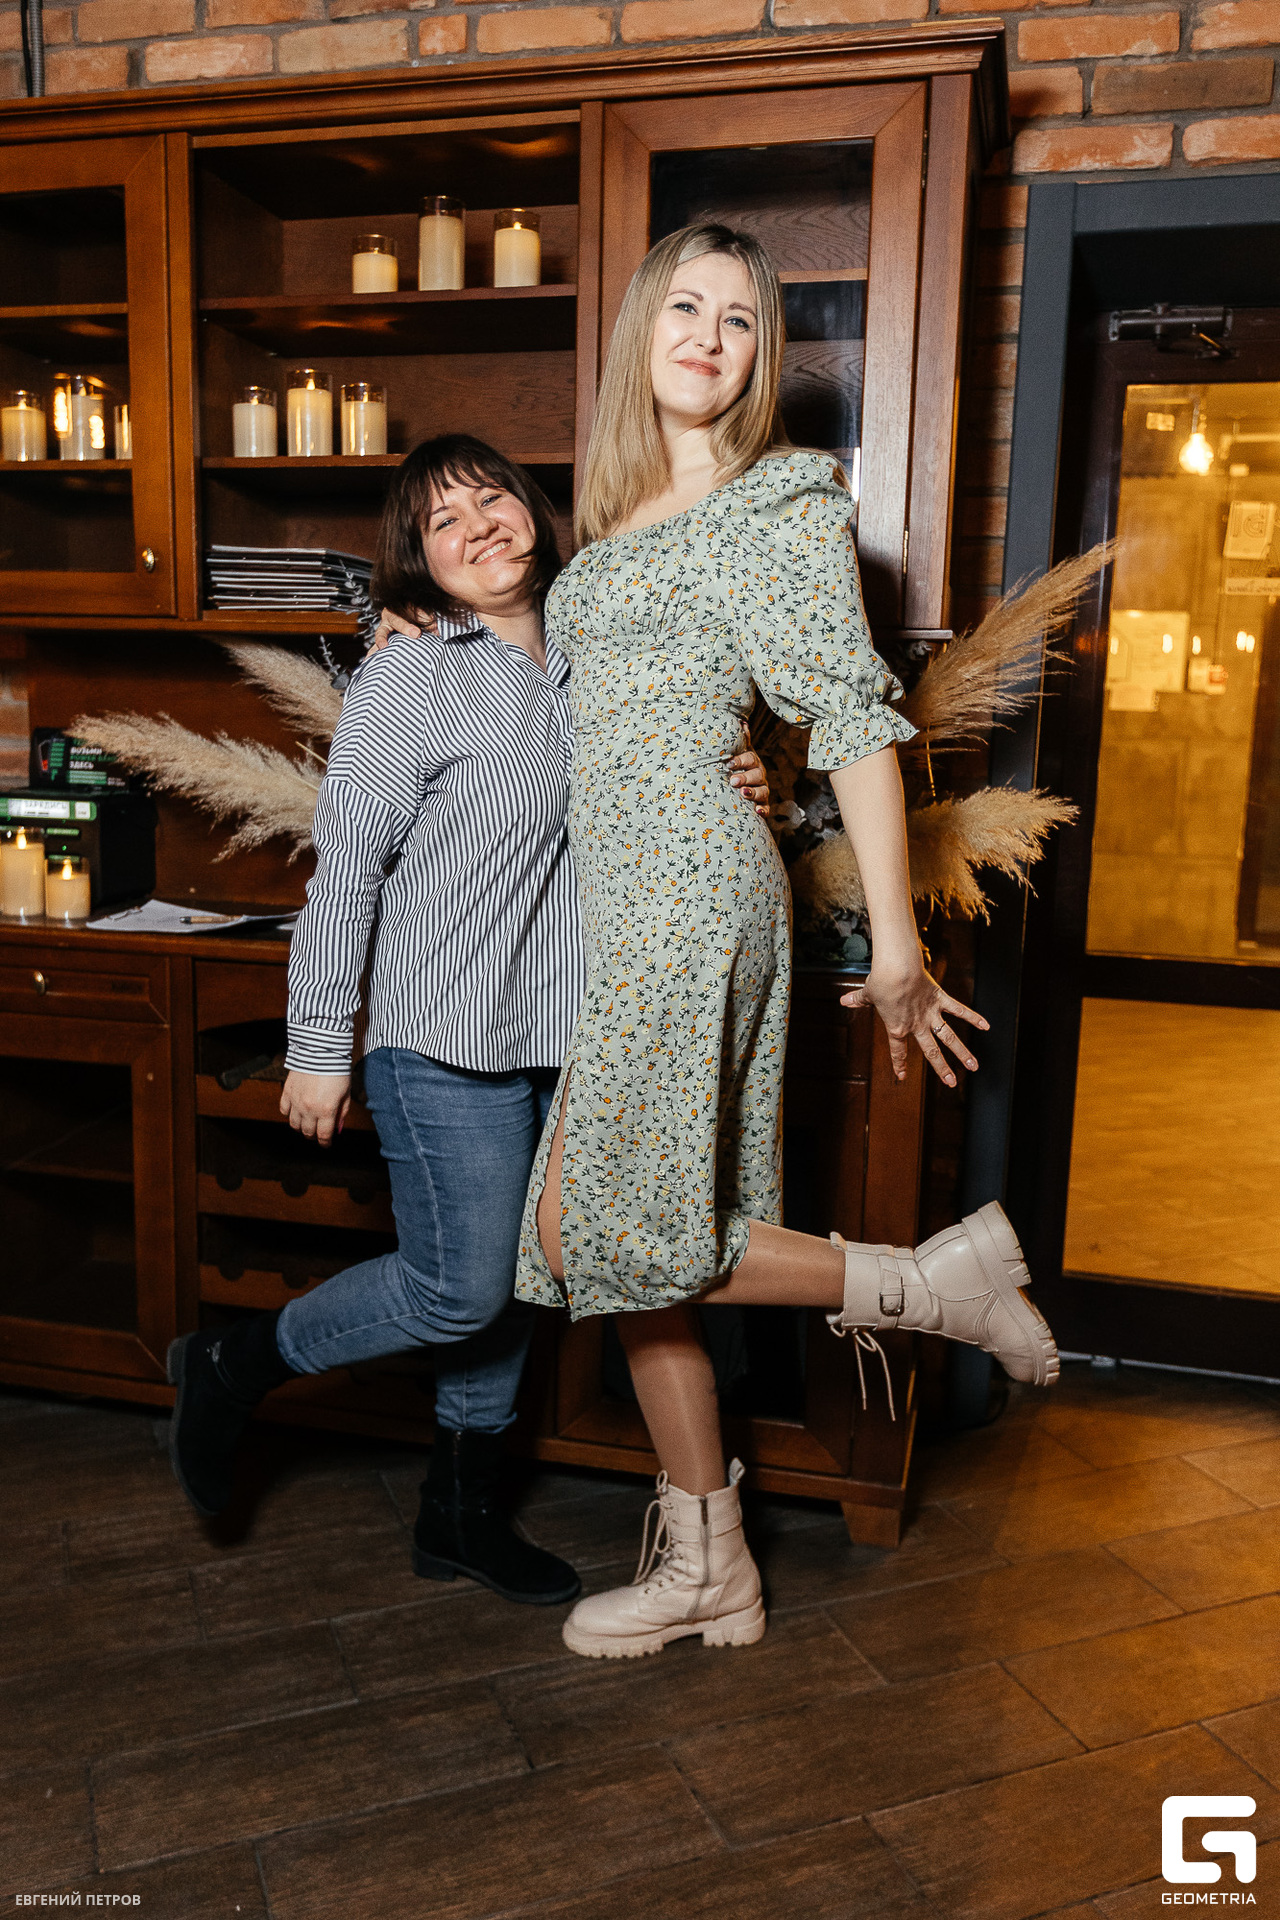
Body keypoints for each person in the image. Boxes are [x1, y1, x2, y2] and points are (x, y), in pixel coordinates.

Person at [514, 223, 1061, 1660]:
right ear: (640, 328)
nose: (707, 337)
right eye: (684, 308)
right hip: (623, 906)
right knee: (613, 1250)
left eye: (740, 320)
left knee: (597, 1230)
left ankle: (923, 1287)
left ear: (759, 357)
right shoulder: (615, 515)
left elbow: (854, 722)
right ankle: (712, 1564)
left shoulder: (774, 501)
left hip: (691, 894)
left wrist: (896, 944)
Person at [165, 434, 771, 1606]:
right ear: (420, 563)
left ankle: (458, 1513)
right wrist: (317, 1046)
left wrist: (747, 774)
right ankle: (234, 1363)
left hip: (577, 1037)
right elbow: (345, 872)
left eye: (490, 497)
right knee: (463, 1287)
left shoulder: (602, 650)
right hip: (442, 1035)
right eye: (442, 521)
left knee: (522, 1282)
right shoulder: (408, 676)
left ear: (532, 511)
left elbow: (668, 782)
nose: (476, 524)